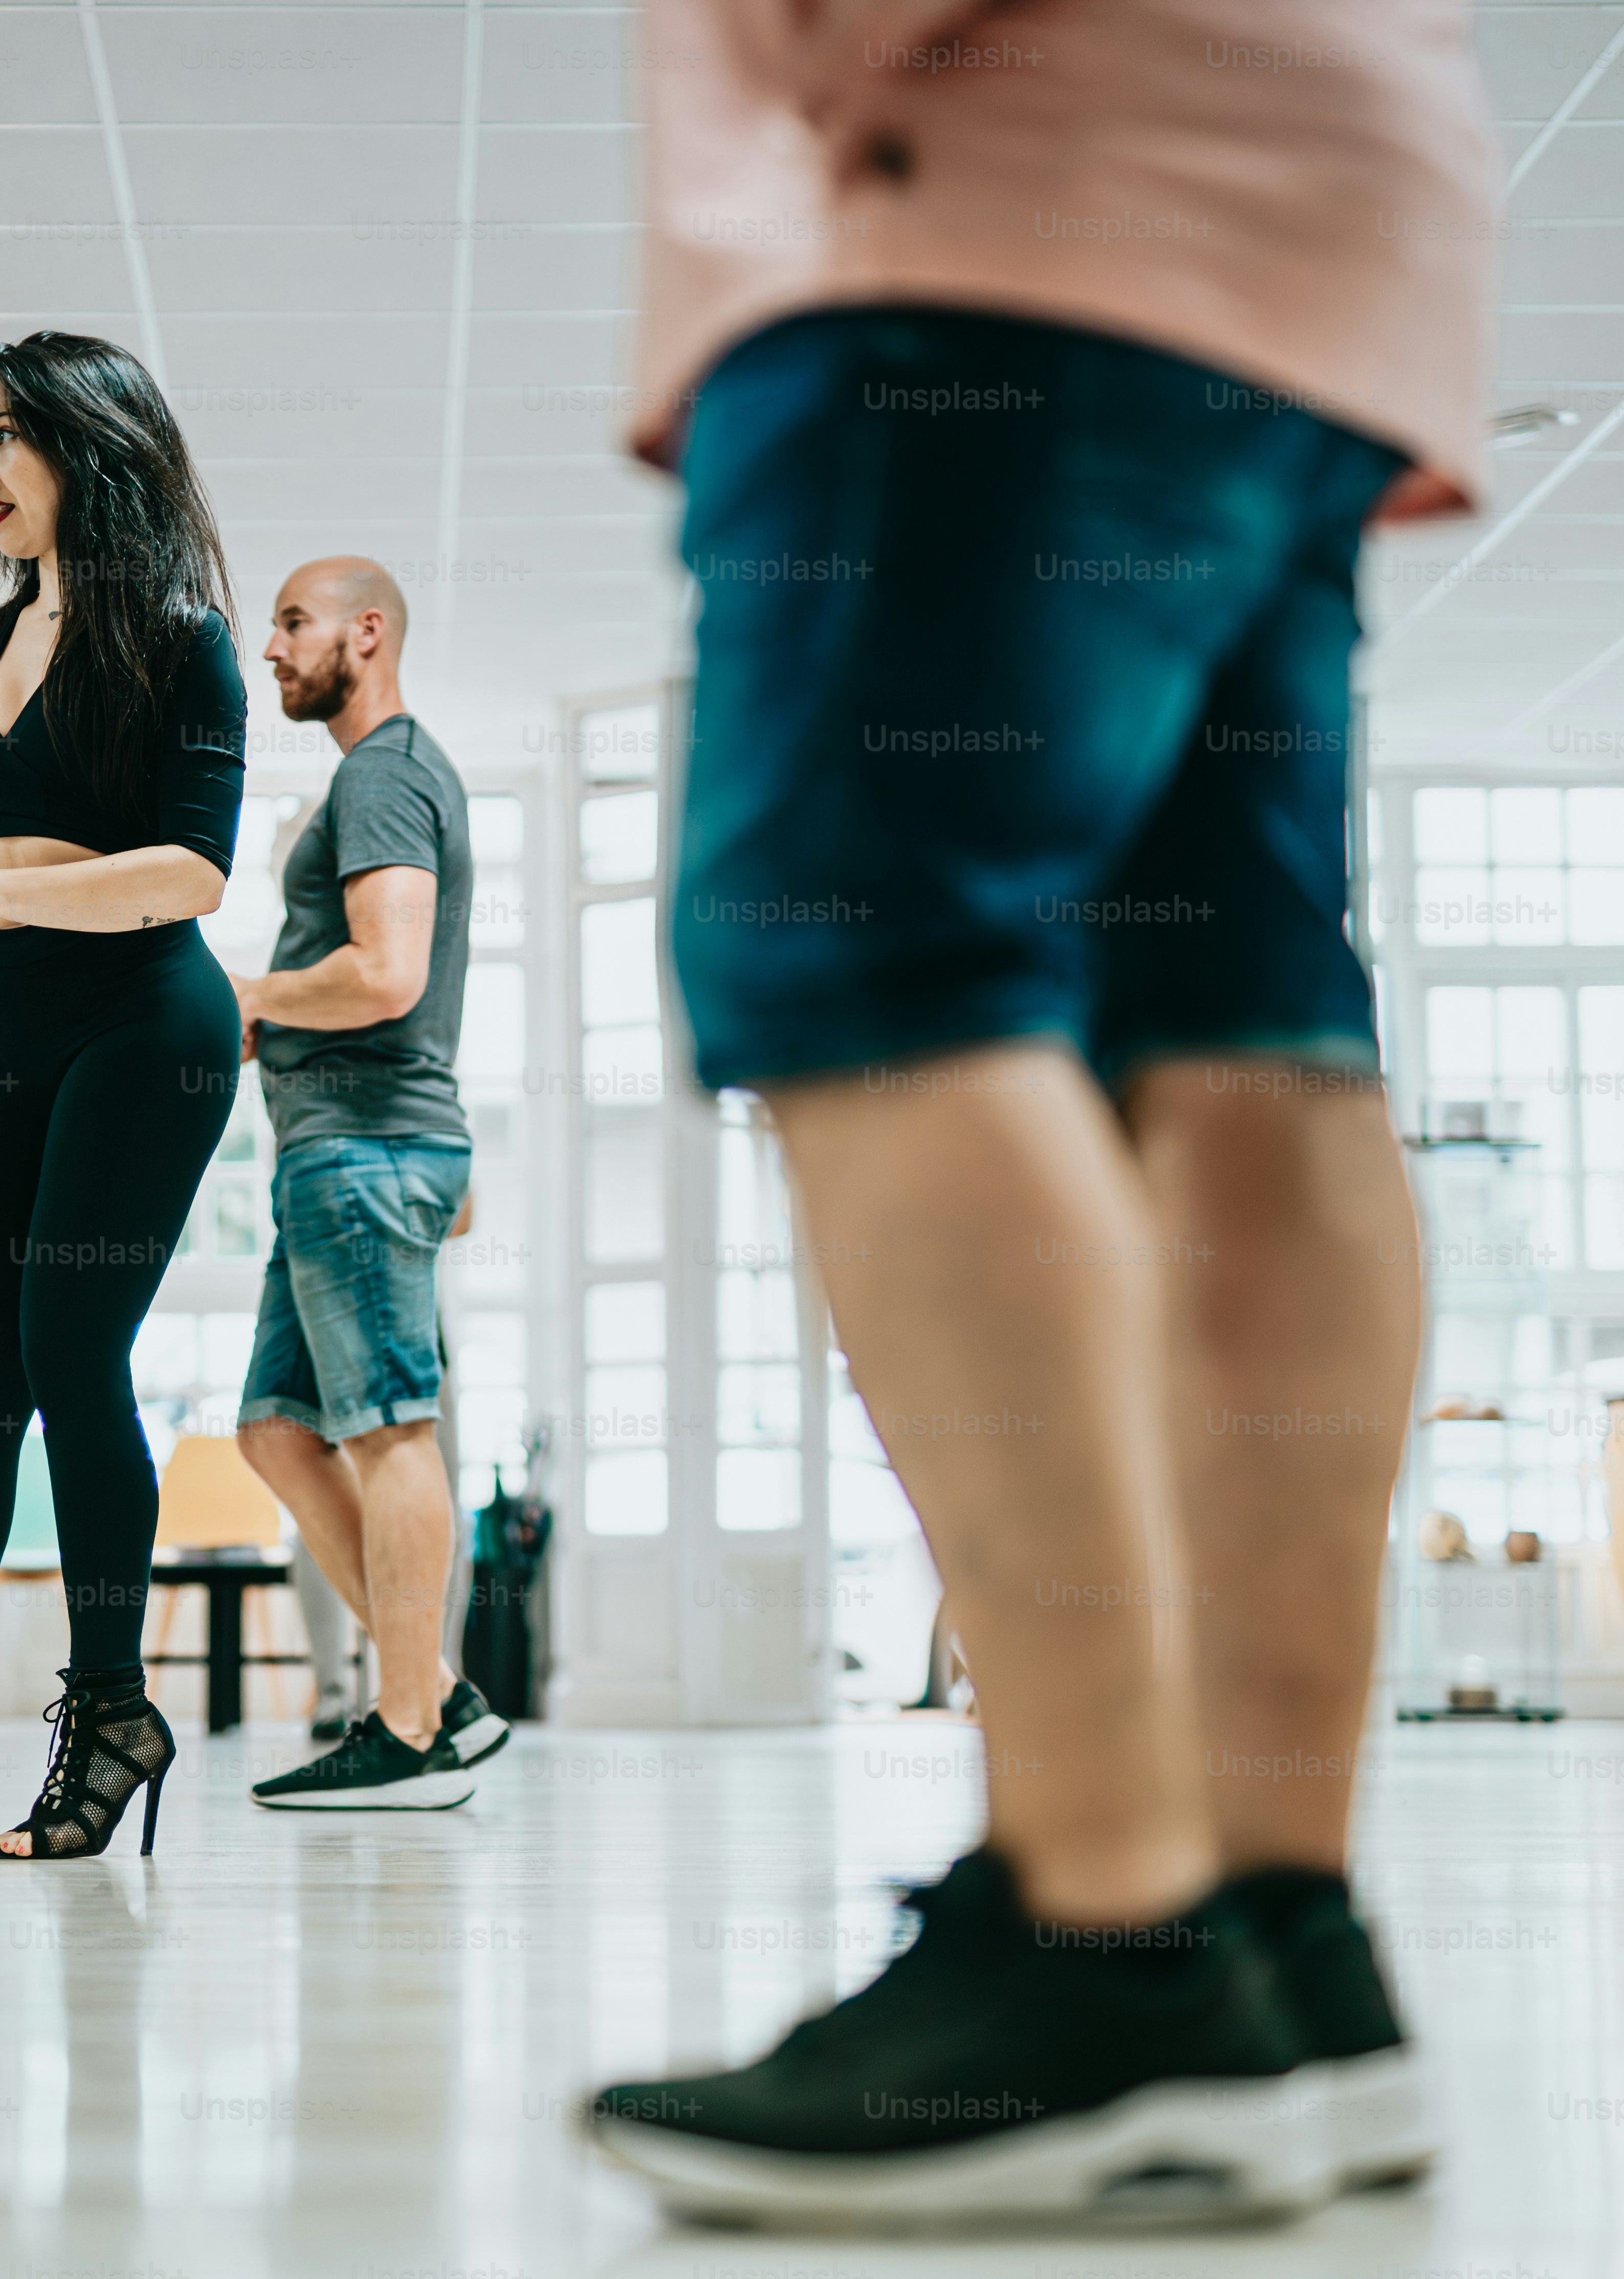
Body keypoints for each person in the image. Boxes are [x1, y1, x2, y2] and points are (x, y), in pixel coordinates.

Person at [587, 0, 1494, 2229]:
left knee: (868, 948)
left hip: (979, 166)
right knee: (1243, 1014)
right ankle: (1282, 1937)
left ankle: (1114, 1935)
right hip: (1319, 180)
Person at [0, 332, 246, 1860]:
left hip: (148, 1026)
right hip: (1, 1029)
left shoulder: (183, 640)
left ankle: (106, 1715)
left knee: (73, 1351)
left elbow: (192, 871)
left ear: (90, 449)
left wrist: (7, 910)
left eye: (3, 436)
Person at [226, 558, 507, 1809]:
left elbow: (386, 974)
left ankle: (407, 1735)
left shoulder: (383, 775)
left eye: (293, 623)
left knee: (390, 1427)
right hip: (335, 1146)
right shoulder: (382, 776)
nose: (272, 650)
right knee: (279, 1429)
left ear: (368, 632)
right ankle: (434, 1692)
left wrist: (247, 996)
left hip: (364, 1146)